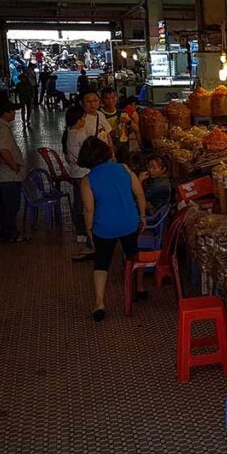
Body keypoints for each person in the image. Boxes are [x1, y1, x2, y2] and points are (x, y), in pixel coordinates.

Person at [78, 136, 146, 322]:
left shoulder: (87, 180)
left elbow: (89, 209)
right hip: (129, 222)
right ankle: (139, 288)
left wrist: (89, 230)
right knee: (133, 254)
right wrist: (142, 217)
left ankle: (99, 303)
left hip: (104, 227)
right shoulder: (124, 168)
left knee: (101, 263)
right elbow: (139, 193)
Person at [0, 99, 28, 243]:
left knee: (6, 204)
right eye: (12, 111)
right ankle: (10, 234)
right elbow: (2, 149)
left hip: (0, 172)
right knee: (11, 205)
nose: (14, 114)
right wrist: (14, 165)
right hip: (7, 175)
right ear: (5, 113)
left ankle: (7, 231)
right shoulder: (2, 128)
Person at [63, 105, 94, 259]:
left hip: (83, 173)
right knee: (81, 204)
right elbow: (81, 157)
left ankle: (85, 229)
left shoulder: (78, 131)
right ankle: (82, 230)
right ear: (75, 120)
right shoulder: (73, 135)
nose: (84, 120)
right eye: (82, 118)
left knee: (83, 203)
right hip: (80, 174)